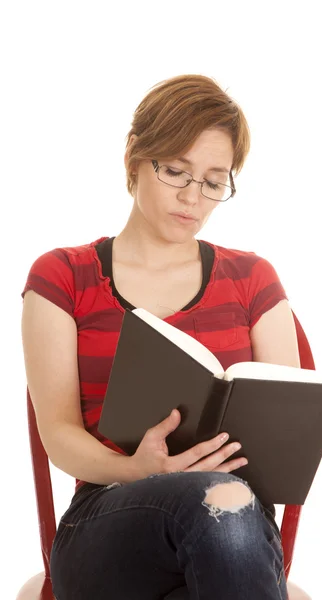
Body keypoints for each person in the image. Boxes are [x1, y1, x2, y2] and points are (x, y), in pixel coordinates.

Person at [21, 73, 303, 600]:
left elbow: (285, 430)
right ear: (134, 154)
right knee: (218, 501)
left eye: (214, 181)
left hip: (237, 523)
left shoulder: (253, 279)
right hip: (109, 520)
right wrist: (134, 469)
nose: (193, 197)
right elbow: (57, 434)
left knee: (226, 503)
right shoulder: (63, 276)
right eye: (175, 170)